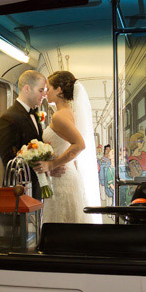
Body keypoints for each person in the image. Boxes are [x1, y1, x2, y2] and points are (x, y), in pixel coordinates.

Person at [40, 70, 101, 225]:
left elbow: (79, 144)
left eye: (48, 88)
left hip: (63, 178)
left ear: (59, 90)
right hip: (65, 175)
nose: (46, 93)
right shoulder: (66, 112)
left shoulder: (59, 116)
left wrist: (53, 164)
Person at [0, 69, 48, 200]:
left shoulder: (35, 114)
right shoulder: (8, 118)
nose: (44, 95)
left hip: (36, 186)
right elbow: (9, 160)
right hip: (21, 190)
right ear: (27, 89)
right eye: (41, 91)